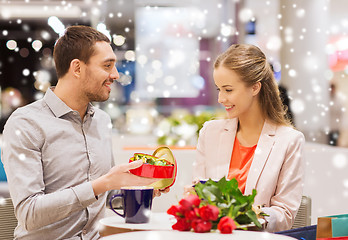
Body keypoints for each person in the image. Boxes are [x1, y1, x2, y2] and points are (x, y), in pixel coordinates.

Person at [1, 25, 163, 239]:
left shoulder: (101, 121)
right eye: (107, 66)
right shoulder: (26, 124)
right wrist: (103, 184)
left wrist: (137, 190)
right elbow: (29, 214)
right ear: (77, 68)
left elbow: (104, 196)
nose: (115, 75)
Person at [191, 44, 305, 232]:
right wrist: (193, 199)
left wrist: (244, 214)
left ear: (255, 87)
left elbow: (285, 215)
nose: (220, 98)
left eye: (228, 90)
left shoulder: (289, 141)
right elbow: (198, 191)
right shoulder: (210, 133)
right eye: (218, 89)